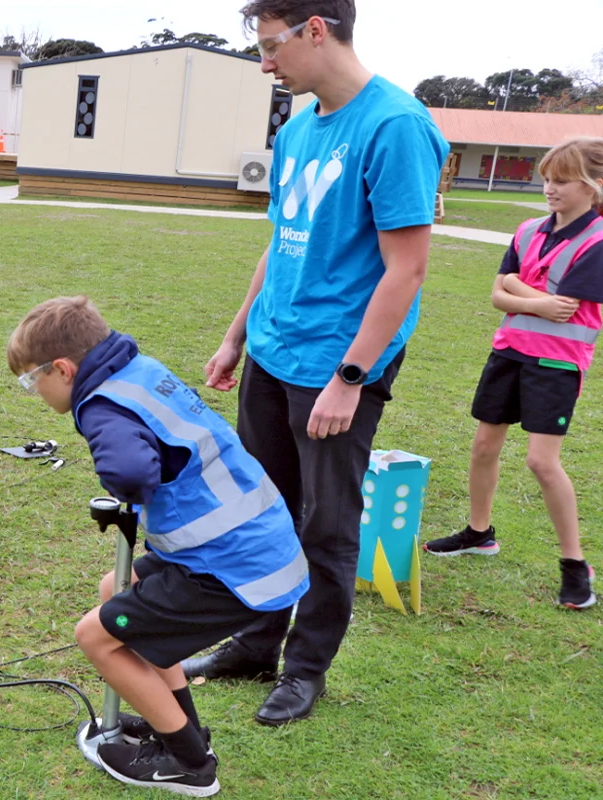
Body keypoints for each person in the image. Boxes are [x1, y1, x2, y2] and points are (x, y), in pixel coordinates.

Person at [180, 0, 449, 726]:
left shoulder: (396, 126)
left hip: (337, 367)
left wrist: (349, 379)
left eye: (272, 45)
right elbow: (280, 241)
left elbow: (406, 271)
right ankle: (254, 645)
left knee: (325, 524)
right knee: (262, 510)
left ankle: (306, 670)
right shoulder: (298, 129)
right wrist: (237, 335)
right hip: (273, 352)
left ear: (317, 30)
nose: (265, 63)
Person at [7, 296, 309, 796]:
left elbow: (130, 471)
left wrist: (123, 486)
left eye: (31, 380)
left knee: (94, 637)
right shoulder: (137, 371)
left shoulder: (103, 405)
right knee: (115, 588)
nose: (33, 391)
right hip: (248, 546)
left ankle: (189, 766)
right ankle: (179, 729)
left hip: (234, 568)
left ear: (62, 368)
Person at [424, 137, 603, 610]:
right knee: (484, 447)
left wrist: (516, 287)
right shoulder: (527, 231)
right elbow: (498, 296)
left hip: (556, 364)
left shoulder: (597, 241)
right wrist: (531, 297)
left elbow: (563, 308)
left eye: (562, 180)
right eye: (547, 179)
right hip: (508, 353)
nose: (550, 188)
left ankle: (575, 564)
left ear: (594, 185)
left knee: (542, 462)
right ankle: (479, 533)